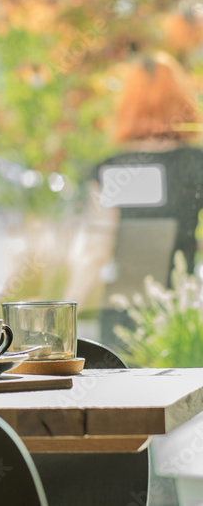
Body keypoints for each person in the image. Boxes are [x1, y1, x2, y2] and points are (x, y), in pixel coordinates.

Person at [64, 51, 203, 347]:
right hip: (182, 319)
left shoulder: (112, 169)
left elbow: (97, 248)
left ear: (128, 105)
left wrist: (61, 315)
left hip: (123, 318)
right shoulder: (197, 163)